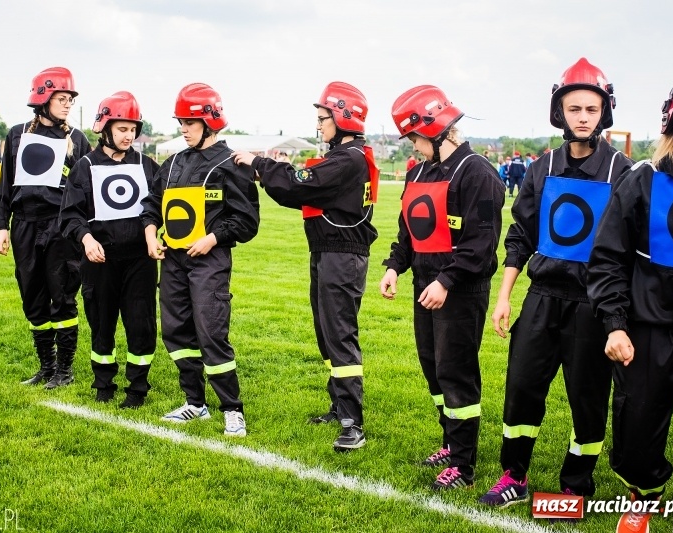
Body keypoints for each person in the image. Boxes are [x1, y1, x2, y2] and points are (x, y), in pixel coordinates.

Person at [478, 58, 633, 508]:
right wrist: (505, 297)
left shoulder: (621, 171)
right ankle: (514, 475)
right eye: (574, 108)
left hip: (593, 304)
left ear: (604, 113)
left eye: (591, 108)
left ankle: (576, 485)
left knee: (587, 399)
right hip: (542, 298)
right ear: (559, 112)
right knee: (522, 386)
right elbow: (521, 234)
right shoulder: (541, 166)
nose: (583, 116)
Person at [233, 81, 378, 452]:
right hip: (329, 252)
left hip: (341, 256)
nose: (319, 125)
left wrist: (261, 163)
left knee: (340, 335)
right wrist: (269, 175)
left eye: (323, 118)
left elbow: (303, 182)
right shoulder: (345, 156)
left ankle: (352, 423)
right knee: (328, 334)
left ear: (344, 116)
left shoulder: (349, 158)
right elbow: (298, 193)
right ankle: (338, 405)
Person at [587, 69, 673, 533]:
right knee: (638, 429)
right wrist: (614, 323)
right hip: (648, 333)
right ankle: (643, 497)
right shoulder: (643, 181)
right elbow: (607, 258)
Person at [380, 85, 505, 488]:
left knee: (456, 372)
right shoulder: (419, 172)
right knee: (434, 371)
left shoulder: (479, 174)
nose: (413, 148)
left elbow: (481, 244)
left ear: (436, 129)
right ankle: (451, 443)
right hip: (424, 285)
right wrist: (395, 267)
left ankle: (463, 466)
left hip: (460, 290)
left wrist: (446, 280)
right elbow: (409, 229)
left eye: (415, 139)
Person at [140, 83, 259, 437]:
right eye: (181, 122)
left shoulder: (231, 165)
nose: (183, 128)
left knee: (211, 331)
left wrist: (213, 238)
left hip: (210, 262)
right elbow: (152, 204)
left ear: (209, 121)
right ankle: (195, 402)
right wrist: (150, 234)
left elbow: (247, 221)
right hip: (173, 262)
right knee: (176, 330)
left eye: (189, 122)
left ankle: (232, 409)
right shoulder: (173, 162)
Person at [59, 91, 160, 408]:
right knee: (101, 323)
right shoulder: (85, 166)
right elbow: (71, 215)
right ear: (105, 128)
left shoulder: (148, 166)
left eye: (133, 129)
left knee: (140, 324)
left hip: (140, 261)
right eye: (122, 129)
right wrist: (87, 240)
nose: (128, 135)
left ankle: (137, 389)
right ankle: (104, 383)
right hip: (99, 260)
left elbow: (160, 208)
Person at [0, 67, 91, 389]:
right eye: (61, 99)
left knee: (62, 297)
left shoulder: (76, 139)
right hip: (23, 224)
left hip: (60, 228)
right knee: (32, 298)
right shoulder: (17, 134)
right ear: (43, 99)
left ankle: (64, 369)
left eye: (70, 99)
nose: (67, 105)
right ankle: (45, 366)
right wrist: (1, 226)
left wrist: (69, 158)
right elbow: (6, 182)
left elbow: (87, 188)